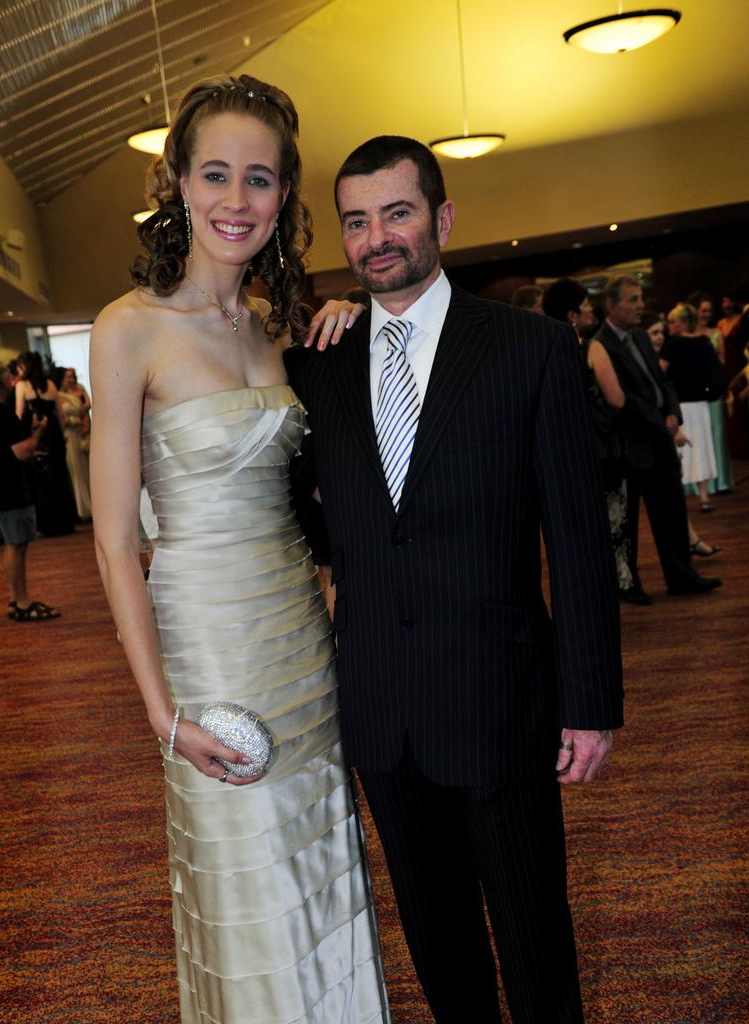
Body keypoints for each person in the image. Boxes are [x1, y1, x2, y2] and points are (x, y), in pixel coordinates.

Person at [285, 135, 624, 1024]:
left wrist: (588, 702)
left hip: (499, 696)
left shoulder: (530, 348)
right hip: (380, 707)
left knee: (533, 937)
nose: (376, 239)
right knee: (437, 940)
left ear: (441, 218)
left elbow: (580, 542)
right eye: (356, 222)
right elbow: (308, 512)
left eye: (396, 213)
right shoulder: (317, 362)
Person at [89, 75, 389, 1024]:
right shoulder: (127, 328)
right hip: (208, 631)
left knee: (318, 857)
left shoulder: (276, 327)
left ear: (283, 199)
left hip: (300, 629)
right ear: (175, 181)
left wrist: (352, 326)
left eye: (259, 180)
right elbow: (109, 536)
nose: (236, 199)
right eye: (214, 173)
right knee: (244, 867)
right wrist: (162, 715)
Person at [593, 277, 721, 598]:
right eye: (633, 299)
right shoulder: (602, 343)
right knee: (630, 523)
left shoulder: (638, 335)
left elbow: (661, 381)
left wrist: (673, 412)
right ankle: (630, 584)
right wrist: (660, 420)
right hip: (632, 445)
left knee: (673, 513)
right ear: (611, 305)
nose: (640, 305)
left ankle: (682, 578)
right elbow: (622, 399)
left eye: (640, 298)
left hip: (660, 437)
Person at [543, 278, 637, 599]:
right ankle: (621, 582)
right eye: (584, 304)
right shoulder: (591, 348)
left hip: (559, 456)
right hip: (598, 451)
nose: (590, 309)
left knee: (575, 528)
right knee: (614, 520)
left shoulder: (540, 349)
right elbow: (617, 399)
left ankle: (584, 587)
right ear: (572, 314)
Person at [0, 359, 60, 621]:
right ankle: (22, 601)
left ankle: (16, 599)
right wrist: (38, 432)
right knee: (16, 544)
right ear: (2, 381)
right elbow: (22, 451)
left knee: (10, 544)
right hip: (9, 484)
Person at [661, 303, 720, 512]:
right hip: (700, 402)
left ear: (684, 322)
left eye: (673, 321)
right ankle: (704, 497)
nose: (669, 325)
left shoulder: (672, 344)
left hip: (679, 404)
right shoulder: (704, 342)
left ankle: (682, 498)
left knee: (681, 450)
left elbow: (660, 374)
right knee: (701, 447)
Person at [15, 351, 76, 536]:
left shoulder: (22, 386)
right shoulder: (50, 385)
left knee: (41, 480)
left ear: (24, 366)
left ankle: (48, 525)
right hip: (54, 435)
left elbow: (19, 414)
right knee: (59, 478)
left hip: (37, 435)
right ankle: (65, 522)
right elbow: (61, 416)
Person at [685, 290, 734, 494]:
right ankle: (697, 485)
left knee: (716, 435)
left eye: (709, 310)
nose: (707, 314)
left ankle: (719, 481)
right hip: (692, 393)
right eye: (703, 310)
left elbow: (722, 364)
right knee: (695, 437)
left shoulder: (716, 333)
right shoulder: (684, 335)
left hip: (712, 393)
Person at [58, 367, 92, 519]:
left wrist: (84, 422)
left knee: (89, 470)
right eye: (67, 377)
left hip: (85, 432)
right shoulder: (58, 395)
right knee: (77, 471)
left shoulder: (80, 389)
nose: (71, 379)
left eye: (72, 376)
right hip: (71, 435)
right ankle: (82, 509)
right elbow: (62, 418)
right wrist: (74, 421)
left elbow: (88, 406)